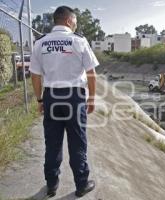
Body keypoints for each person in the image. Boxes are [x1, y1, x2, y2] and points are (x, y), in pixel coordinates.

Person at [29, 6, 99, 198]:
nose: (76, 24)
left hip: (52, 96)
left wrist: (40, 99)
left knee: (52, 142)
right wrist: (91, 98)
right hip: (74, 98)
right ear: (69, 20)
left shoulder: (40, 43)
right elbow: (92, 74)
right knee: (77, 142)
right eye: (75, 21)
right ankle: (81, 184)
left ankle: (51, 184)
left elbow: (35, 76)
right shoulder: (79, 41)